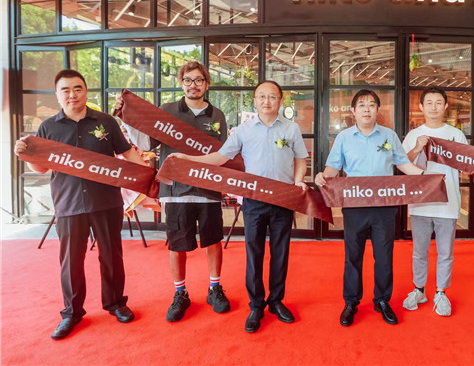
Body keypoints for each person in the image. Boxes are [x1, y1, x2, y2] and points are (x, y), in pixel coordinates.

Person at [14, 69, 148, 340]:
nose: (72, 94)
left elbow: (126, 152)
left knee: (111, 256)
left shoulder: (106, 122)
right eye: (65, 90)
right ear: (57, 95)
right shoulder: (48, 128)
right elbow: (41, 168)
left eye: (77, 88)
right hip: (68, 202)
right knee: (71, 261)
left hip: (106, 201)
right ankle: (72, 312)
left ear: (86, 91)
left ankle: (116, 303)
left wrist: (148, 178)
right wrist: (25, 154)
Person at [170, 80, 308, 333]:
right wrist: (188, 159)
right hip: (254, 201)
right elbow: (220, 157)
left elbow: (301, 159)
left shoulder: (292, 128)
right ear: (255, 101)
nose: (267, 101)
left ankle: (276, 301)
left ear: (280, 100)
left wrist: (299, 180)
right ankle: (256, 305)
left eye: (272, 97)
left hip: (283, 199)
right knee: (254, 254)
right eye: (261, 96)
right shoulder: (244, 131)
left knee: (280, 253)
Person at [114, 61, 230, 322]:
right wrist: (127, 118)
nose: (193, 85)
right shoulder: (167, 111)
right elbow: (147, 143)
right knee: (177, 244)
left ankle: (214, 288)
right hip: (175, 190)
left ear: (207, 84)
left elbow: (223, 153)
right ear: (181, 83)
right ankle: (180, 293)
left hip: (209, 188)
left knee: (213, 241)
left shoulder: (218, 115)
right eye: (188, 80)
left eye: (198, 80)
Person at [315, 89, 424, 327]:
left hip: (384, 206)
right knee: (353, 256)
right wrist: (324, 175)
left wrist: (425, 177)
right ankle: (351, 302)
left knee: (384, 256)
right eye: (362, 105)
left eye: (372, 104)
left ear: (378, 110)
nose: (367, 109)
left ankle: (382, 300)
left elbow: (403, 164)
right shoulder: (344, 137)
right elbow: (333, 167)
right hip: (354, 206)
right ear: (353, 111)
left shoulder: (389, 135)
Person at [401, 86, 467, 317]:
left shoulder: (456, 135)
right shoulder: (413, 135)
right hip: (420, 203)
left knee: (445, 252)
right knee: (419, 251)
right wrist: (417, 148)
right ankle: (419, 289)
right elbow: (402, 164)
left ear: (446, 106)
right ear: (421, 106)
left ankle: (441, 292)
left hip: (448, 203)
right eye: (429, 103)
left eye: (438, 102)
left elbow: (466, 165)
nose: (434, 107)